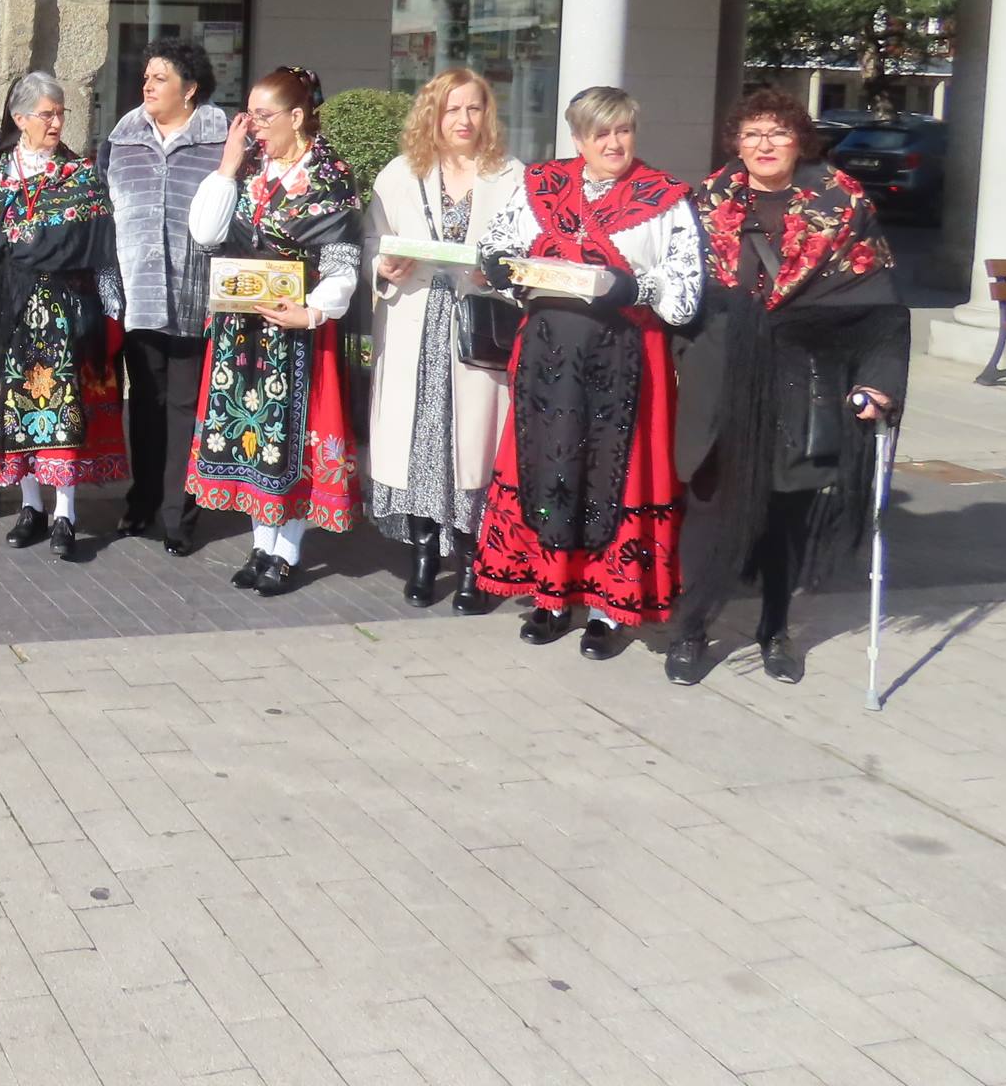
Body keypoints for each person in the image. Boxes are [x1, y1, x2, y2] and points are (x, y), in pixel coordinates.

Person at [667, 88, 908, 687]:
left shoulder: (843, 204)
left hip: (801, 377)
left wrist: (876, 382)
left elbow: (879, 305)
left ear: (799, 140)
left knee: (785, 510)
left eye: (777, 133)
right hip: (720, 374)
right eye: (752, 133)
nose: (764, 145)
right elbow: (673, 290)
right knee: (707, 506)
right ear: (737, 143)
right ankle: (690, 628)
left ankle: (775, 629)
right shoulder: (704, 202)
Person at [471, 85, 704, 657]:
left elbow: (685, 296)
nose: (614, 142)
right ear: (577, 139)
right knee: (551, 470)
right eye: (601, 133)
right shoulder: (541, 185)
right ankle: (552, 598)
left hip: (626, 359)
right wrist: (503, 266)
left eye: (623, 130)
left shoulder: (665, 198)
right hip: (548, 359)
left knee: (613, 477)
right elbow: (495, 247)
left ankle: (607, 608)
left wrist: (634, 285)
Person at [183, 67, 363, 597]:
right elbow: (205, 232)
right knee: (252, 435)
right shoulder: (248, 170)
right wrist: (227, 164)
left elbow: (343, 266)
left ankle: (288, 550)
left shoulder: (330, 177)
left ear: (298, 116)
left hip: (297, 327)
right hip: (241, 323)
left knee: (293, 440)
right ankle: (261, 543)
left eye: (264, 117)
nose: (254, 126)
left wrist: (311, 311)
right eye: (251, 115)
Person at [362, 69, 523, 612]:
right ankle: (425, 556)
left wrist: (497, 274)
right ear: (433, 114)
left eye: (474, 109)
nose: (463, 120)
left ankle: (476, 563)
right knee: (420, 441)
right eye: (452, 109)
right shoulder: (400, 174)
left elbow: (527, 250)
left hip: (475, 325)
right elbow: (370, 243)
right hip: (414, 320)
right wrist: (384, 264)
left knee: (475, 445)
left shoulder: (511, 176)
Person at [0, 72, 129, 558]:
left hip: (63, 314)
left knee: (61, 409)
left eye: (60, 114)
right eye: (46, 114)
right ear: (19, 118)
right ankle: (29, 506)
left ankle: (65, 512)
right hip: (5, 314)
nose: (56, 123)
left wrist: (112, 307)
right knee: (14, 406)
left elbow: (101, 251)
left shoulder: (79, 175)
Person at [102, 36, 231, 555]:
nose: (148, 85)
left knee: (184, 406)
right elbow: (107, 217)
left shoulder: (223, 139)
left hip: (198, 294)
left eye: (161, 78)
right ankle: (143, 499)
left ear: (191, 88)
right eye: (147, 77)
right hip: (141, 294)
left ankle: (179, 513)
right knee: (147, 404)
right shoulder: (122, 137)